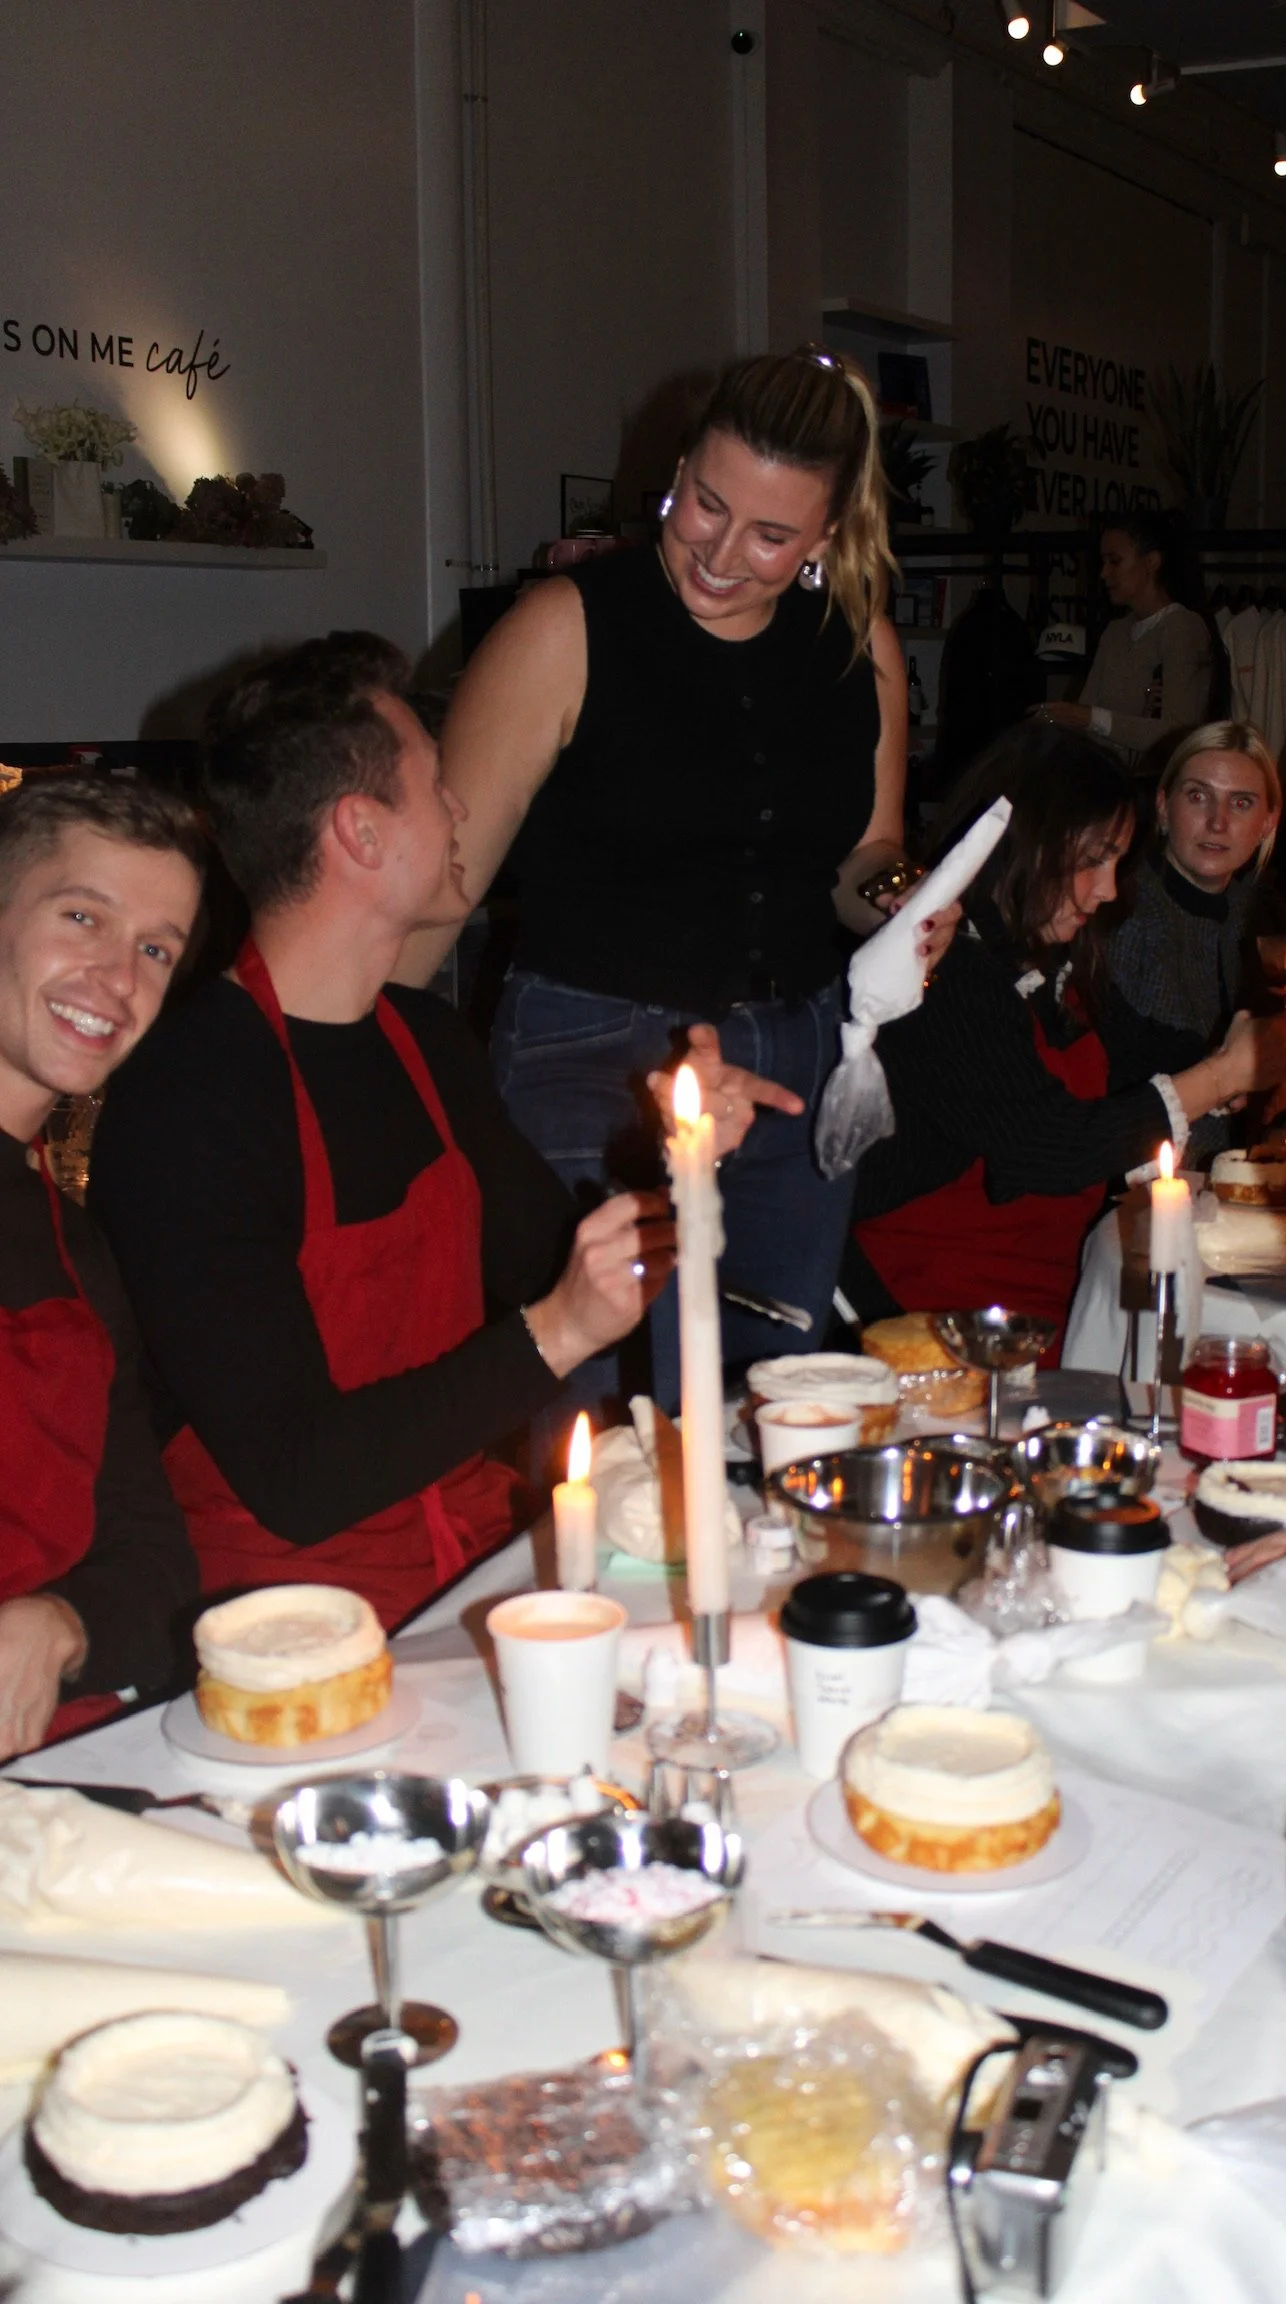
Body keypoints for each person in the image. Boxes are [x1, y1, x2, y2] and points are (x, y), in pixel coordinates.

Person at [89, 634, 770, 1627]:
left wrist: (687, 1156)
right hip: (281, 1628)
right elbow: (295, 1477)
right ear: (360, 833)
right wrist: (556, 1330)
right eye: (433, 784)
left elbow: (561, 1270)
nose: (458, 807)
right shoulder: (191, 1095)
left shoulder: (423, 1040)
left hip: (460, 1574)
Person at [393, 347, 952, 1411]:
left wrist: (905, 902)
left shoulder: (857, 648)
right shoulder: (562, 626)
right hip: (590, 1060)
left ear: (825, 538)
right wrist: (347, 1064)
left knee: (779, 1404)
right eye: (705, 504)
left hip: (794, 1069)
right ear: (683, 464)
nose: (720, 553)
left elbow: (862, 863)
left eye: (770, 536)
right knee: (603, 1409)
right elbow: (438, 884)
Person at [842, 726, 1286, 1349]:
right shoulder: (943, 971)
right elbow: (1045, 1145)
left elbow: (1142, 1051)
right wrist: (1223, 1075)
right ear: (1025, 844)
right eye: (1091, 860)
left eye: (1114, 863)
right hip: (929, 1325)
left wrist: (1249, 1054)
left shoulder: (1054, 960)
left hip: (1037, 1308)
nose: (1106, 891)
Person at [0, 774, 204, 1758]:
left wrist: (60, 1624)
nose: (118, 979)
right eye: (82, 916)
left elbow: (154, 1558)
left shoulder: (69, 1238)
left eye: (155, 949)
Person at [1103, 721, 1282, 1159]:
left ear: (1268, 823)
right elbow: (1114, 1078)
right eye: (1198, 796)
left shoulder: (1256, 912)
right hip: (1141, 1175)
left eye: (1241, 803)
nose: (1218, 822)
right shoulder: (1119, 909)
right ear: (1163, 807)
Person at [1035, 511, 1216, 767]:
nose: (1104, 574)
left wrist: (1091, 718)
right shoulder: (1116, 631)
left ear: (1151, 562)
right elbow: (1085, 714)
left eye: (1115, 561)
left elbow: (1177, 733)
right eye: (1103, 562)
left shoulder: (1181, 627)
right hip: (1108, 780)